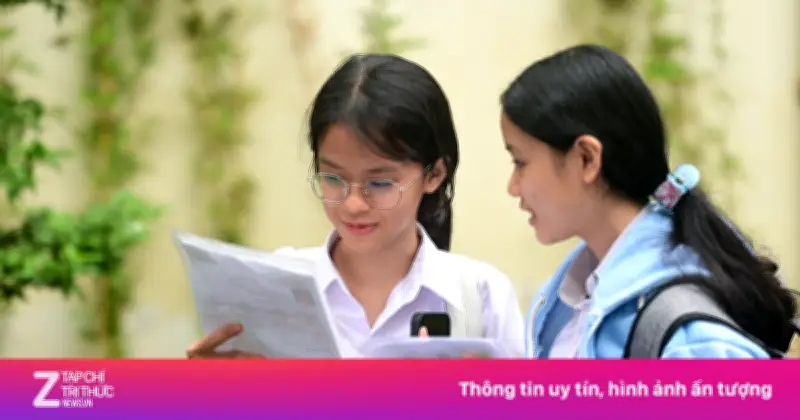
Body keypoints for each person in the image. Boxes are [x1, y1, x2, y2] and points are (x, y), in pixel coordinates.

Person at [187, 53, 525, 359]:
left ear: (434, 174)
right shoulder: (276, 288)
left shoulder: (481, 296)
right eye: (333, 178)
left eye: (380, 183)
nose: (353, 205)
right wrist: (213, 391)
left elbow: (524, 399)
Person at [499, 44, 798, 358]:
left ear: (586, 159)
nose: (512, 187)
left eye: (520, 162)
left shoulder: (693, 343)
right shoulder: (564, 303)